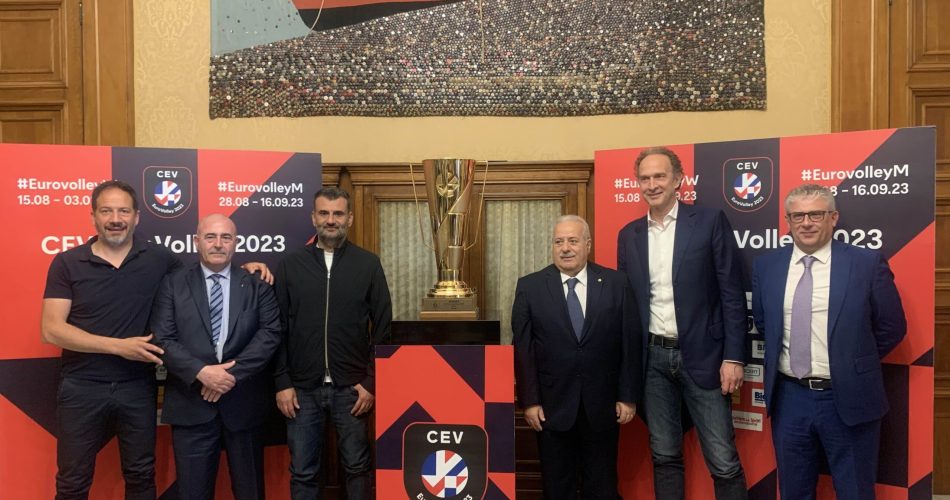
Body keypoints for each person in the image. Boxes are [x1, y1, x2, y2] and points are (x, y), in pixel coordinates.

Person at [40, 180, 271, 500]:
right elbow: (51, 330)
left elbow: (206, 276)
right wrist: (118, 346)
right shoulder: (67, 262)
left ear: (136, 216)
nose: (115, 219)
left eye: (123, 211)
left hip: (137, 385)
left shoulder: (160, 259)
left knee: (140, 475)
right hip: (81, 385)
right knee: (72, 480)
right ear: (93, 216)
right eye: (106, 211)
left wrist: (243, 271)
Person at [752, 184, 906, 499]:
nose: (806, 223)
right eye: (798, 216)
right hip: (789, 397)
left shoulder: (865, 263)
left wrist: (852, 360)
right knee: (794, 491)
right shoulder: (767, 266)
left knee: (855, 492)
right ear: (788, 221)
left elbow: (891, 327)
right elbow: (764, 322)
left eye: (816, 214)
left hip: (848, 395)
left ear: (833, 218)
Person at [616, 147, 748, 499]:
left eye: (659, 176)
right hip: (652, 362)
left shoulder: (709, 221)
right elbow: (627, 308)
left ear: (678, 179)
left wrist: (734, 357)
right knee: (664, 455)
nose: (652, 184)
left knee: (723, 459)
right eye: (644, 178)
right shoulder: (629, 235)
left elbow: (732, 294)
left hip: (705, 357)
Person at [150, 214, 281, 500]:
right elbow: (162, 338)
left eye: (226, 237)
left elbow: (270, 334)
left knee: (250, 492)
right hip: (191, 404)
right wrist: (202, 372)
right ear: (196, 242)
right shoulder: (173, 284)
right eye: (210, 237)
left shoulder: (257, 284)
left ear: (236, 243)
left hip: (244, 405)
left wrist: (228, 376)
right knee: (193, 493)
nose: (218, 244)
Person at [273, 186, 393, 499]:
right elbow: (277, 329)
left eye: (338, 213)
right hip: (301, 390)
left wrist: (371, 382)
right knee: (303, 471)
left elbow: (384, 327)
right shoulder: (290, 265)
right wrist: (282, 382)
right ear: (313, 217)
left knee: (358, 467)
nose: (331, 220)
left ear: (349, 218)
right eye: (324, 213)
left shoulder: (368, 264)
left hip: (352, 389)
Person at [512, 215, 641, 499]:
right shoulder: (530, 287)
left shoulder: (616, 283)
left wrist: (628, 396)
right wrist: (530, 401)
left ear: (588, 245)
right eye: (558, 242)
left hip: (603, 406)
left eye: (572, 241)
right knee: (558, 487)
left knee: (602, 486)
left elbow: (630, 343)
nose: (565, 248)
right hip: (551, 407)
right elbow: (523, 349)